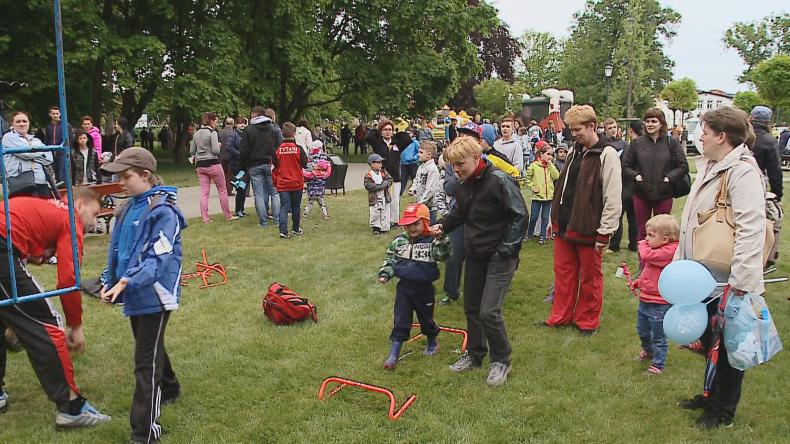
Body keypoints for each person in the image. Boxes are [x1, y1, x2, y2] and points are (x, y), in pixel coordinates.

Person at [674, 107, 766, 429]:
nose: (700, 136)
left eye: (705, 131)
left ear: (722, 136)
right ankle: (710, 394)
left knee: (728, 346)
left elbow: (750, 229)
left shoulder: (742, 172)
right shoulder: (712, 165)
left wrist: (740, 282)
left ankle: (723, 410)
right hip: (703, 274)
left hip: (728, 278)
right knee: (710, 337)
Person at [0, 189, 110, 428]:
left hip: (4, 242)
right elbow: (69, 279)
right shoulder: (69, 218)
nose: (94, 222)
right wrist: (75, 325)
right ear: (79, 205)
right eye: (94, 214)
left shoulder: (50, 208)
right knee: (48, 324)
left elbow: (30, 237)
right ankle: (71, 407)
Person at [98, 148, 184, 442]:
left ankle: (144, 433)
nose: (120, 182)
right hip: (133, 290)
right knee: (149, 345)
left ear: (145, 175)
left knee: (145, 362)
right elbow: (119, 251)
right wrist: (108, 280)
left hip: (154, 295)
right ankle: (171, 387)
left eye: (126, 176)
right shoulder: (127, 208)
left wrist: (126, 282)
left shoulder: (164, 213)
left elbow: (156, 259)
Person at [430, 135, 528, 386]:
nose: (456, 170)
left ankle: (501, 360)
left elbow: (519, 216)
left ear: (476, 158)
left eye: (460, 164)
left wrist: (506, 249)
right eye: (452, 165)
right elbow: (458, 213)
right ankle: (475, 355)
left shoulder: (499, 180)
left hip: (499, 256)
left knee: (489, 311)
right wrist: (443, 225)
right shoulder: (463, 185)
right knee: (472, 308)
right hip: (475, 254)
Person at [540, 105, 621, 335]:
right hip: (565, 224)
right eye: (571, 129)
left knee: (590, 277)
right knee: (563, 275)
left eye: (577, 129)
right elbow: (564, 188)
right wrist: (553, 219)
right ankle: (560, 316)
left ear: (592, 126)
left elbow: (612, 197)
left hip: (589, 227)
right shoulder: (575, 151)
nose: (573, 134)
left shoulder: (607, 154)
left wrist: (605, 232)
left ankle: (586, 321)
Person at [378, 203, 451, 369]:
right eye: (408, 224)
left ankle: (432, 342)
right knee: (401, 319)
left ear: (426, 222)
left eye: (416, 223)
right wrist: (385, 273)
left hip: (424, 289)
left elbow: (443, 255)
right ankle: (393, 354)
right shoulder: (399, 242)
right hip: (404, 289)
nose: (411, 227)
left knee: (426, 319)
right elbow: (391, 259)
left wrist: (442, 239)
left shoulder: (432, 242)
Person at [623, 108, 688, 242]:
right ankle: (643, 262)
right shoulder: (637, 143)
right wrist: (636, 176)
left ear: (661, 123)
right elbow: (626, 166)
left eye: (654, 121)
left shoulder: (671, 143)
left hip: (664, 193)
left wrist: (669, 178)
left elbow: (683, 166)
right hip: (641, 193)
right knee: (643, 230)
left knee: (662, 230)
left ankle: (660, 261)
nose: (650, 124)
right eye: (647, 121)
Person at [630, 214, 679, 375]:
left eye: (651, 235)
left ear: (665, 239)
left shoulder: (669, 251)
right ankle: (648, 351)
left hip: (659, 303)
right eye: (646, 235)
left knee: (659, 336)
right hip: (646, 299)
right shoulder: (657, 249)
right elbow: (649, 271)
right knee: (642, 330)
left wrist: (641, 243)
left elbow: (646, 256)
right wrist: (639, 283)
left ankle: (658, 364)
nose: (646, 239)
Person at [190, 112, 237, 224]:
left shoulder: (196, 134)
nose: (217, 123)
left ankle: (205, 218)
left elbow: (192, 151)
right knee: (222, 190)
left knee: (204, 192)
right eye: (216, 121)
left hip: (201, 165)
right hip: (213, 163)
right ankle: (228, 215)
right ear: (211, 121)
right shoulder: (212, 133)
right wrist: (219, 145)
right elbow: (216, 150)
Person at [239, 106, 280, 228]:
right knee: (274, 192)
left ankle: (263, 222)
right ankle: (277, 220)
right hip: (270, 163)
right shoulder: (272, 129)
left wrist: (243, 165)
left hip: (254, 164)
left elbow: (243, 150)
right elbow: (278, 147)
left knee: (259, 194)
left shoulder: (249, 130)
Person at [2, 110, 55, 198]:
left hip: (41, 181)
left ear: (29, 123)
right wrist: (41, 152)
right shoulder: (8, 137)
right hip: (22, 183)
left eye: (24, 121)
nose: (22, 124)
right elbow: (26, 154)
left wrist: (32, 153)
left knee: (45, 209)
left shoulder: (36, 140)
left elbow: (49, 158)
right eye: (18, 121)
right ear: (12, 124)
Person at [610, 120, 642, 253]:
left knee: (620, 215)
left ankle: (615, 245)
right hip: (636, 186)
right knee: (632, 217)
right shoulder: (644, 145)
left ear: (631, 131)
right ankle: (634, 245)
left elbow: (625, 166)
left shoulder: (630, 146)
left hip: (627, 185)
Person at [273, 122, 308, 239]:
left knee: (284, 206)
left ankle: (283, 230)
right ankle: (296, 228)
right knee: (296, 207)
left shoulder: (278, 150)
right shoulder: (298, 149)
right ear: (294, 134)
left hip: (283, 183)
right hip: (296, 182)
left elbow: (275, 164)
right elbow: (305, 163)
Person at [525, 141, 560, 244]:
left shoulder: (550, 166)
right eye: (548, 154)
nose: (550, 157)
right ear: (541, 154)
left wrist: (551, 166)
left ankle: (542, 235)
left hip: (548, 197)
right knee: (534, 216)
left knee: (545, 217)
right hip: (537, 196)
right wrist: (532, 187)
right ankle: (530, 233)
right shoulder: (534, 166)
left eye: (552, 155)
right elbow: (527, 178)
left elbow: (556, 176)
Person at [748, 106, 782, 200]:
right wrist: (777, 194)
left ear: (751, 117)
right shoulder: (769, 141)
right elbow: (775, 171)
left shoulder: (738, 135)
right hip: (756, 184)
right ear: (767, 122)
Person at [371, 119, 401, 225]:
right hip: (382, 175)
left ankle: (395, 220)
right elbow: (369, 136)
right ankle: (384, 220)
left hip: (396, 175)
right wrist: (377, 129)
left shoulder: (396, 143)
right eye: (385, 129)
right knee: (383, 199)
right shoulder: (378, 143)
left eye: (390, 129)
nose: (388, 132)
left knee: (395, 199)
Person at [38, 105, 74, 182]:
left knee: (63, 172)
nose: (55, 115)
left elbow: (70, 139)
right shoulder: (48, 127)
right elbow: (47, 139)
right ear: (50, 114)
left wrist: (65, 149)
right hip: (51, 151)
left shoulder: (66, 125)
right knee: (54, 171)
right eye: (53, 113)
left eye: (57, 113)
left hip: (62, 151)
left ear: (60, 114)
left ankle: (64, 188)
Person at [409, 141, 441, 223]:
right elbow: (416, 180)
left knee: (429, 229)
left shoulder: (432, 170)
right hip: (421, 205)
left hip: (429, 208)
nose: (418, 154)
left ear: (429, 155)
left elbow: (430, 189)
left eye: (421, 152)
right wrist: (413, 189)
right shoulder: (421, 167)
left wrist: (420, 203)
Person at [302, 140, 332, 220]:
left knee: (310, 200)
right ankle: (325, 215)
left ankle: (305, 214)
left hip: (311, 183)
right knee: (321, 200)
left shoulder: (310, 156)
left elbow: (306, 168)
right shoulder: (323, 156)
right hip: (320, 183)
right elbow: (326, 167)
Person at [364, 153, 392, 234]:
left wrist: (386, 183)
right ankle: (376, 227)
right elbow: (368, 186)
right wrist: (379, 186)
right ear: (372, 164)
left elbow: (390, 179)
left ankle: (384, 227)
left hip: (384, 196)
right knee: (375, 213)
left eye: (381, 162)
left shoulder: (383, 172)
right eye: (378, 162)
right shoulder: (369, 175)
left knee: (385, 212)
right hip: (375, 198)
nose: (380, 164)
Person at [217, 117, 241, 196]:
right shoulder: (234, 133)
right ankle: (228, 189)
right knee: (229, 174)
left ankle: (222, 190)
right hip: (231, 156)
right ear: (233, 124)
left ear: (225, 123)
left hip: (221, 155)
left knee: (222, 174)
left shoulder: (219, 132)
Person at [396, 129, 419, 195]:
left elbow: (419, 152)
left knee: (414, 178)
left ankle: (415, 192)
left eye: (410, 133)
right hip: (403, 163)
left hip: (413, 164)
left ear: (413, 134)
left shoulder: (415, 142)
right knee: (403, 179)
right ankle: (399, 193)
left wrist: (414, 158)